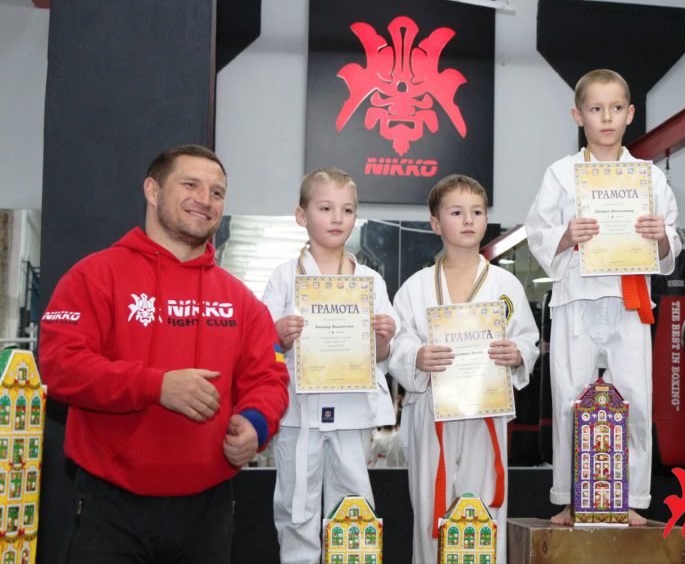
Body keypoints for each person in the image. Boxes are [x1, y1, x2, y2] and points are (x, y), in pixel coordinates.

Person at [38, 144, 290, 564]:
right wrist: (155, 386)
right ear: (152, 191)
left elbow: (269, 378)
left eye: (217, 192)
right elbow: (60, 367)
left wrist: (255, 424)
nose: (205, 200)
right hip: (110, 511)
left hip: (207, 513)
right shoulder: (94, 276)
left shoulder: (241, 300)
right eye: (190, 185)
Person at [524, 69, 682, 525]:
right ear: (579, 116)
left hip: (628, 299)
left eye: (615, 108)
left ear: (630, 114)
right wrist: (566, 234)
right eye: (596, 109)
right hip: (575, 297)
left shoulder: (649, 177)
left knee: (634, 397)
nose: (606, 117)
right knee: (569, 398)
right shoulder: (561, 174)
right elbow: (537, 232)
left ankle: (630, 498)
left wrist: (661, 235)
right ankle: (570, 497)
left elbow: (670, 240)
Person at [390, 174, 539, 564]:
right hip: (431, 413)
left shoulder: (505, 284)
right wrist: (416, 357)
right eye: (456, 212)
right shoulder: (415, 287)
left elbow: (528, 338)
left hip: (485, 412)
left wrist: (517, 353)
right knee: (430, 507)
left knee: (484, 507)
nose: (469, 219)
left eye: (477, 211)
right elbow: (397, 344)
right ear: (436, 223)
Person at [262, 167, 398, 564]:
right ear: (301, 215)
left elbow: (383, 355)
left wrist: (383, 337)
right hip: (299, 411)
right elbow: (261, 346)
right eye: (325, 208)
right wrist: (279, 335)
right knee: (296, 504)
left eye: (347, 210)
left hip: (352, 409)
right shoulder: (284, 277)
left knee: (354, 502)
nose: (337, 218)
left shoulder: (370, 281)